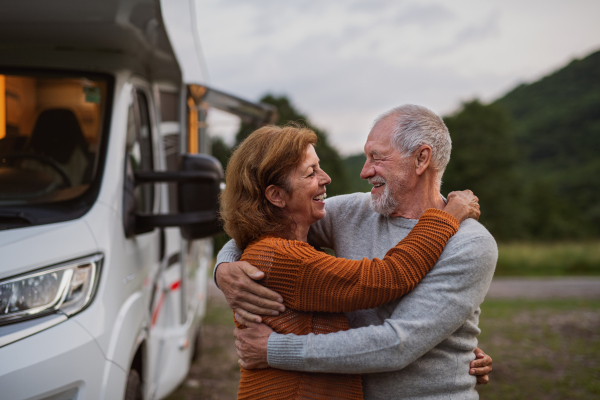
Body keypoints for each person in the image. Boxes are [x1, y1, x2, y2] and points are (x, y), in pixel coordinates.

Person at [216, 104, 497, 399]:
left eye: (376, 157)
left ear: (421, 159)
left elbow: (397, 344)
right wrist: (223, 269)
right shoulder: (352, 212)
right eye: (365, 156)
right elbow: (260, 232)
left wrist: (273, 349)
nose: (364, 171)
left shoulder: (469, 243)